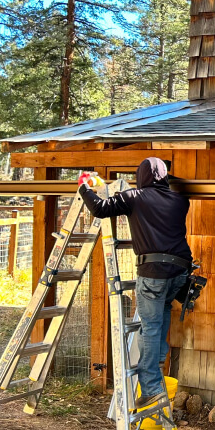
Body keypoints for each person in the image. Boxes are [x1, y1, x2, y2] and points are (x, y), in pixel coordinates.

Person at [78, 158, 192, 409]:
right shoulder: (180, 201)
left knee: (149, 327)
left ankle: (151, 388)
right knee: (160, 319)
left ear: (141, 176)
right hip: (180, 272)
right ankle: (157, 377)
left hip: (154, 271)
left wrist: (84, 188)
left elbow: (99, 209)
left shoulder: (135, 197)